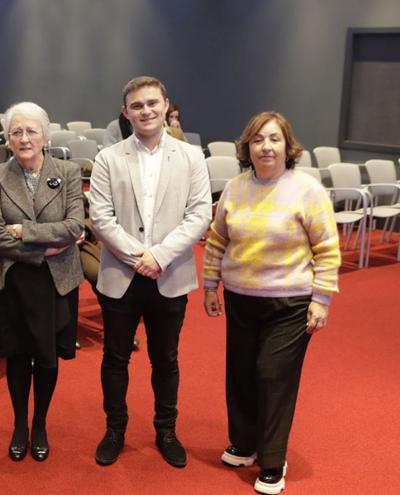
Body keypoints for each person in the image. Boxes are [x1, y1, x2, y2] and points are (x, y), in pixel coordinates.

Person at [202, 111, 340, 495]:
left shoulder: (307, 190)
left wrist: (322, 299)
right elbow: (217, 239)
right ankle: (245, 444)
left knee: (272, 375)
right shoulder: (235, 187)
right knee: (242, 373)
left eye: (275, 139)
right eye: (259, 139)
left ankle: (273, 460)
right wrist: (210, 285)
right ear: (247, 146)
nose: (266, 146)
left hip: (291, 302)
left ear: (287, 146)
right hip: (241, 298)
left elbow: (327, 248)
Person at [88, 76, 211, 469]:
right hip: (121, 276)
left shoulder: (191, 157)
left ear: (165, 105)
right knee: (115, 359)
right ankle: (115, 429)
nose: (145, 111)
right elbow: (100, 217)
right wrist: (137, 255)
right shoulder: (109, 157)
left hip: (169, 274)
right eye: (137, 106)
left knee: (167, 360)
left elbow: (199, 214)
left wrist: (158, 255)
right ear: (126, 112)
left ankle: (166, 430)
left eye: (152, 103)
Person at [0, 102, 84, 462]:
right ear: (8, 139)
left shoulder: (69, 172)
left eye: (31, 131)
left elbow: (75, 227)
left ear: (45, 135)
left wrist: (25, 230)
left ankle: (40, 424)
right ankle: (20, 424)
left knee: (47, 359)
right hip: (12, 280)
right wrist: (43, 249)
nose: (24, 138)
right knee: (17, 357)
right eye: (16, 132)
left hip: (56, 283)